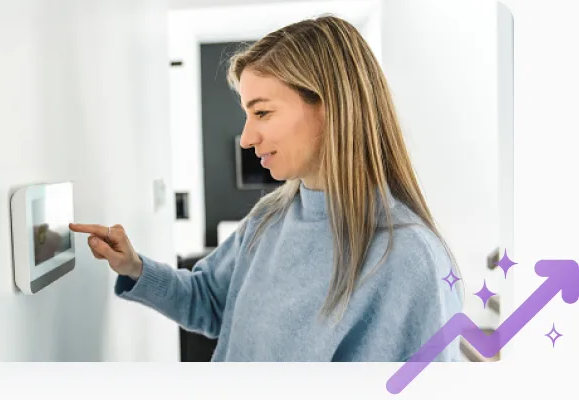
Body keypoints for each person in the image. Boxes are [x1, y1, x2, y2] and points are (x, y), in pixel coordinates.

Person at [69, 14, 464, 362]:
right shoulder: (267, 220)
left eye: (262, 112)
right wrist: (134, 267)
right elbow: (207, 300)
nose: (245, 137)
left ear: (330, 108)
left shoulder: (408, 259)